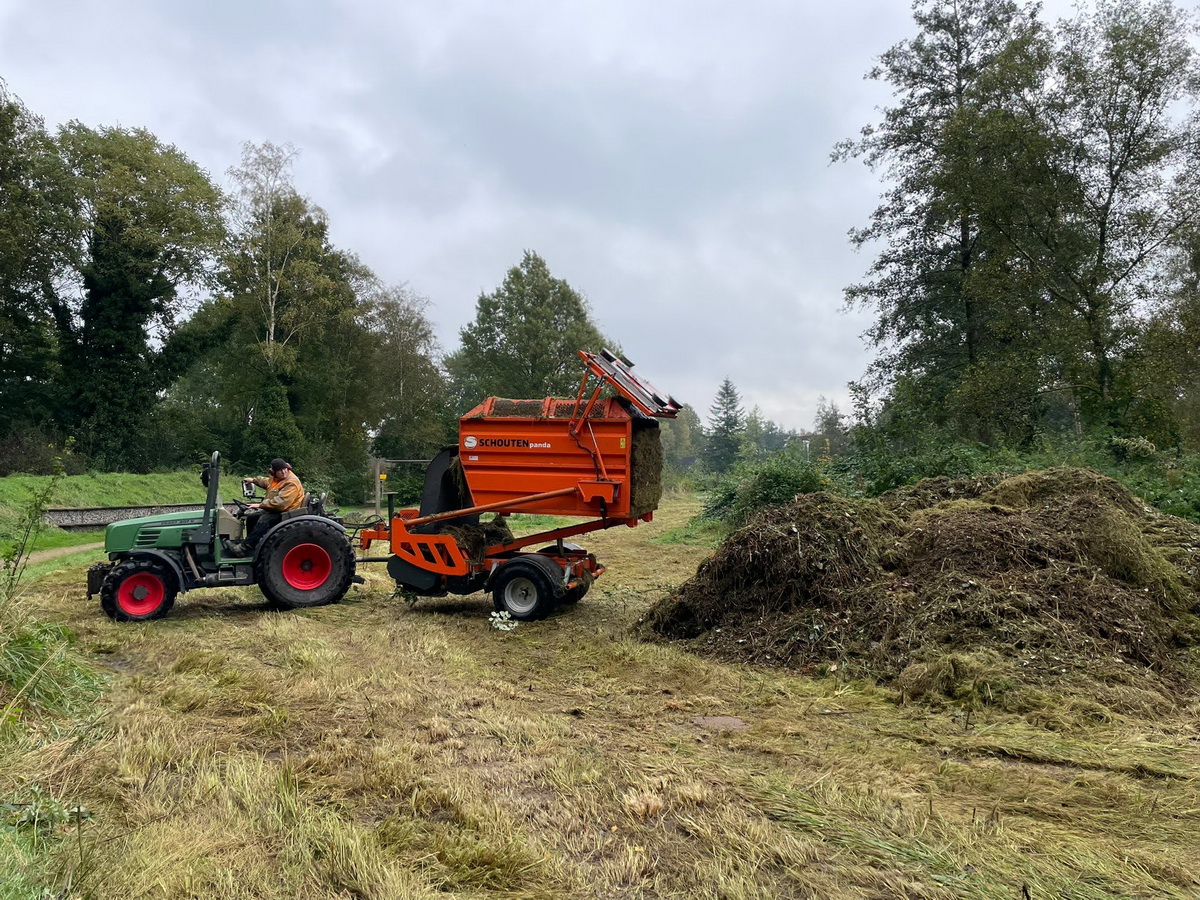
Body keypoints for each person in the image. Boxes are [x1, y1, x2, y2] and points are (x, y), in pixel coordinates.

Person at [228, 458, 306, 555]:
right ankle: (251, 546)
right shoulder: (277, 479)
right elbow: (267, 482)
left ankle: (243, 549)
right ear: (274, 473)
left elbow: (281, 503)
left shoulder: (291, 482)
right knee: (252, 517)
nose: (283, 472)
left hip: (287, 511)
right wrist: (253, 480)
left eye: (285, 469)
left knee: (264, 520)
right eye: (280, 470)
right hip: (278, 509)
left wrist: (260, 505)